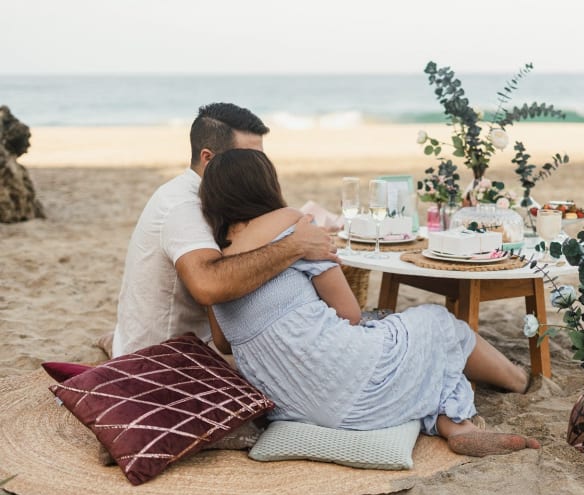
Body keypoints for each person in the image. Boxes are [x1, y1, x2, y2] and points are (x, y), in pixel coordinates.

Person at [200, 148, 540, 457]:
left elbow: (223, 343)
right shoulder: (291, 224)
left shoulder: (217, 269)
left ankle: (457, 427)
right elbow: (348, 313)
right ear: (265, 186)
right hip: (347, 381)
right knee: (435, 322)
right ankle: (519, 380)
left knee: (413, 360)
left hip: (293, 405)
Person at [110, 103, 338, 357]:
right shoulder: (184, 207)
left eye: (261, 157)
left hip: (198, 342)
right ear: (208, 158)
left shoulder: (217, 198)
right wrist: (296, 245)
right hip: (171, 357)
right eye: (248, 157)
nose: (257, 166)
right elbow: (208, 285)